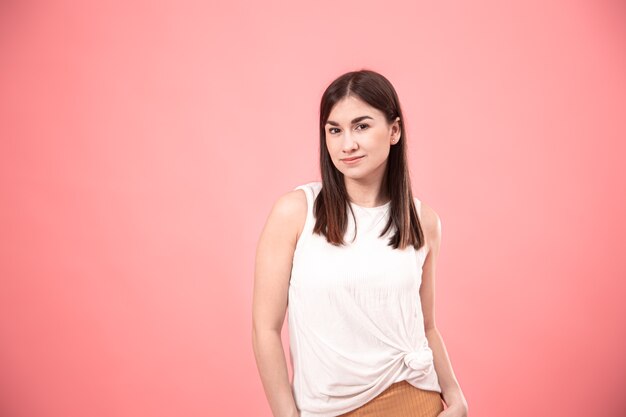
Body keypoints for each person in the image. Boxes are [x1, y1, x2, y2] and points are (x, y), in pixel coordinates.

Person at [252, 69, 468, 417]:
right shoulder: (296, 212)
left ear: (394, 130)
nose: (346, 144)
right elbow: (265, 328)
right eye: (334, 130)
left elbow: (426, 326)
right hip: (325, 409)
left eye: (361, 126)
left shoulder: (423, 222)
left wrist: (457, 398)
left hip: (414, 400)